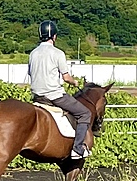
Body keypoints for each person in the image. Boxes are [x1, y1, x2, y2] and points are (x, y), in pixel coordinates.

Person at [28, 20, 92, 160]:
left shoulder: (33, 53)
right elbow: (66, 77)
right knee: (85, 113)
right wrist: (75, 82)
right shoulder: (58, 53)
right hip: (54, 96)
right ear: (54, 36)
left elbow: (31, 73)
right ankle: (77, 148)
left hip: (37, 96)